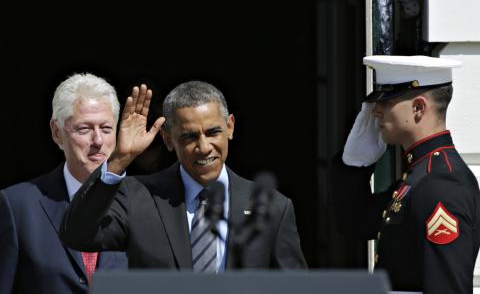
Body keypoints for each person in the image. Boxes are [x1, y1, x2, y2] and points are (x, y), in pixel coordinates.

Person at [60, 80, 307, 271]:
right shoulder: (137, 196)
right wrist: (118, 159)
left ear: (230, 127)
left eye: (213, 132)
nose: (203, 147)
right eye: (189, 137)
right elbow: (77, 235)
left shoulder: (273, 207)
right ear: (168, 139)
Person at [332, 55, 480, 293]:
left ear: (418, 108)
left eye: (386, 100)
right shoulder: (419, 176)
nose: (376, 111)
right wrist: (354, 166)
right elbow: (355, 223)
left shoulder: (440, 183)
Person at [0, 73, 128, 294]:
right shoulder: (17, 206)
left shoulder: (141, 205)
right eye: (84, 129)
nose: (98, 141)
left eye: (106, 129)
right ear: (57, 132)